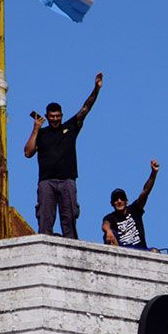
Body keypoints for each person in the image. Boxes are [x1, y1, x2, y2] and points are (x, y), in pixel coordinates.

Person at [24, 72, 103, 238]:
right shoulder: (42, 134)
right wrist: (36, 129)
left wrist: (96, 89)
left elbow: (85, 108)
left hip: (67, 180)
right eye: (52, 116)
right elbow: (28, 152)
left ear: (62, 115)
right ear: (47, 116)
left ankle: (71, 245)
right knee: (45, 219)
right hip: (46, 182)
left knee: (69, 218)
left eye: (57, 116)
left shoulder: (70, 127)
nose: (55, 119)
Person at [102, 160, 159, 250]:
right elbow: (105, 224)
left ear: (126, 201)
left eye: (122, 198)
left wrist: (153, 173)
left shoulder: (134, 210)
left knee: (155, 251)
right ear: (112, 203)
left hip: (141, 250)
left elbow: (145, 192)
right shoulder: (110, 217)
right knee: (107, 236)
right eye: (116, 199)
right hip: (122, 250)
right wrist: (108, 231)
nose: (119, 201)